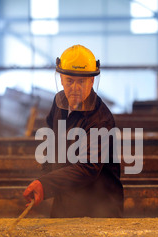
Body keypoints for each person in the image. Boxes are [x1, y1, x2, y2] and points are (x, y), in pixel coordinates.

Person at [23, 44, 124, 218]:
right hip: (66, 199)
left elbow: (88, 167)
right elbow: (51, 140)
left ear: (92, 81)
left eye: (82, 81)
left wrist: (46, 184)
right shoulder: (59, 102)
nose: (75, 88)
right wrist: (45, 178)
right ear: (61, 79)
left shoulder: (100, 120)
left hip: (99, 207)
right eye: (70, 81)